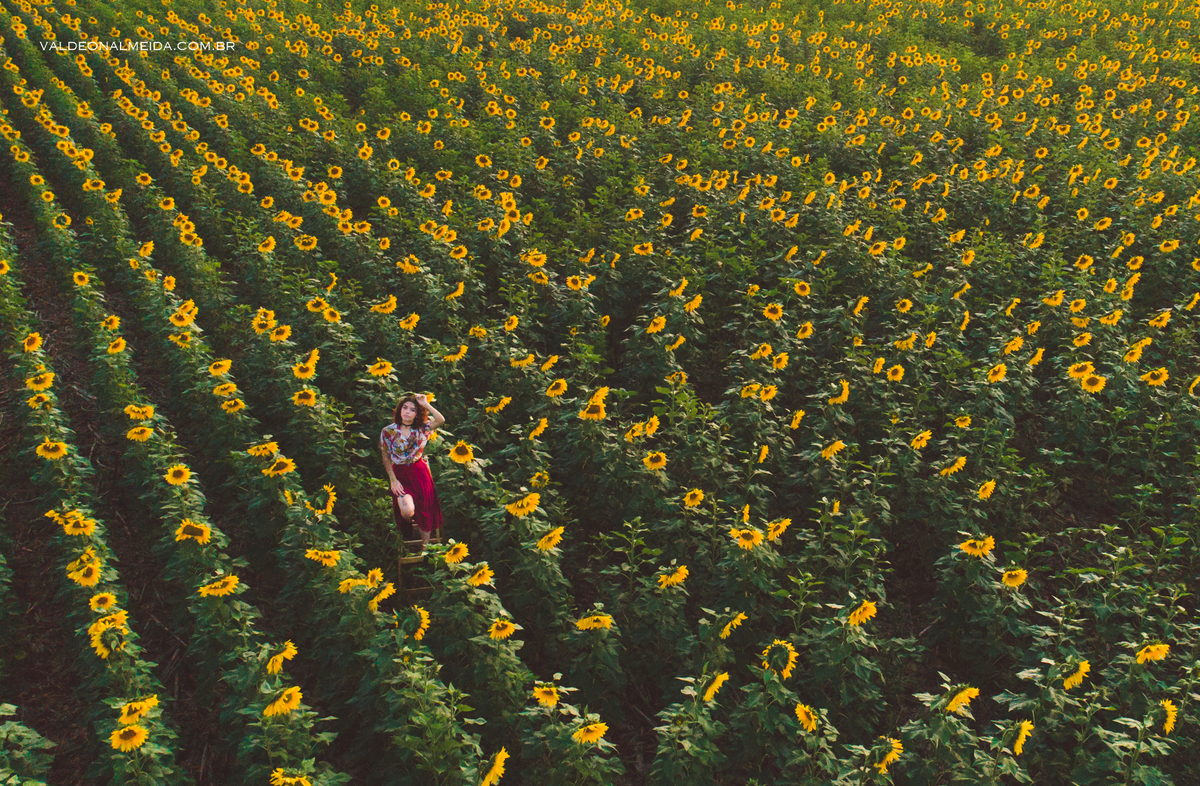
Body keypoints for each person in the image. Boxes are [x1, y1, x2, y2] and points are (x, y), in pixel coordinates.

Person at [379, 393, 445, 546]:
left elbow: (441, 420)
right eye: (405, 408)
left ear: (417, 414)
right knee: (407, 510)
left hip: (419, 471)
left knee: (425, 508)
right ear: (400, 410)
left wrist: (425, 404)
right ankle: (408, 525)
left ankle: (426, 548)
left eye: (412, 410)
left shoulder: (422, 429)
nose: (407, 412)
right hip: (400, 474)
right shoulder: (388, 432)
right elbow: (385, 457)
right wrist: (393, 480)